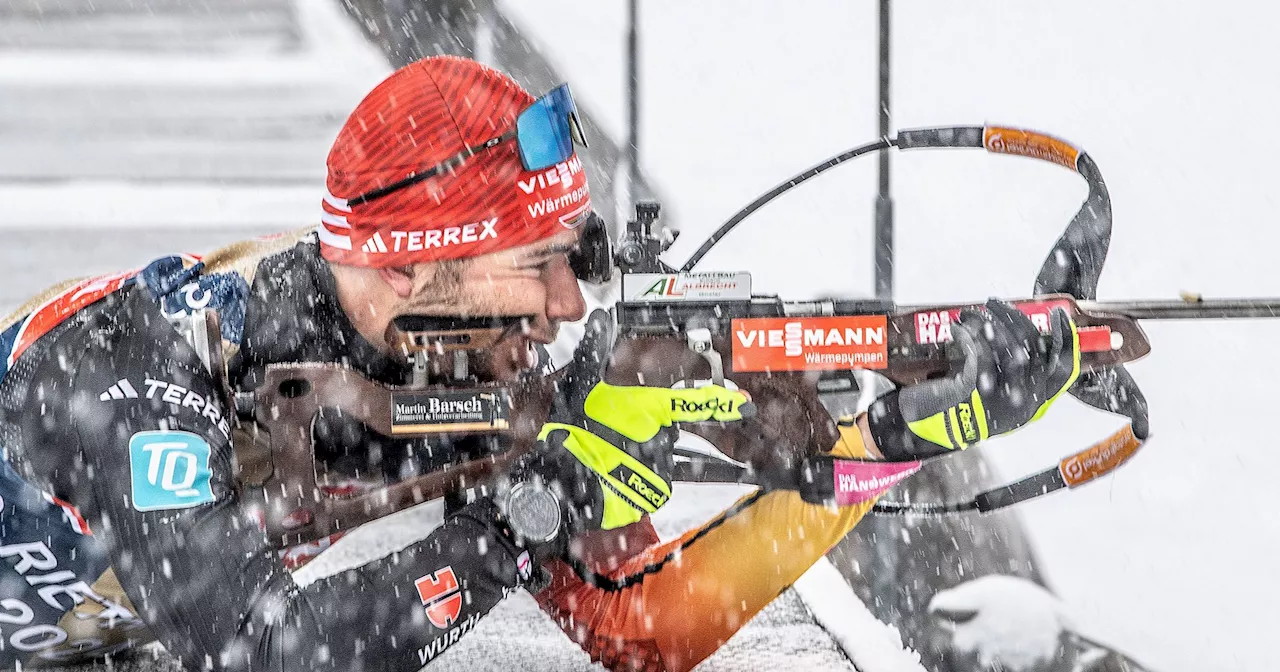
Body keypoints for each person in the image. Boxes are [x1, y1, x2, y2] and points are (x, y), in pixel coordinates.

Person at [0, 55, 1081, 671]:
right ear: (412, 271)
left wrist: (888, 439)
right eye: (540, 266)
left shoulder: (442, 363)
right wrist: (506, 531)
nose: (567, 305)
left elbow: (643, 625)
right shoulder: (134, 383)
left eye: (579, 263)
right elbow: (256, 658)